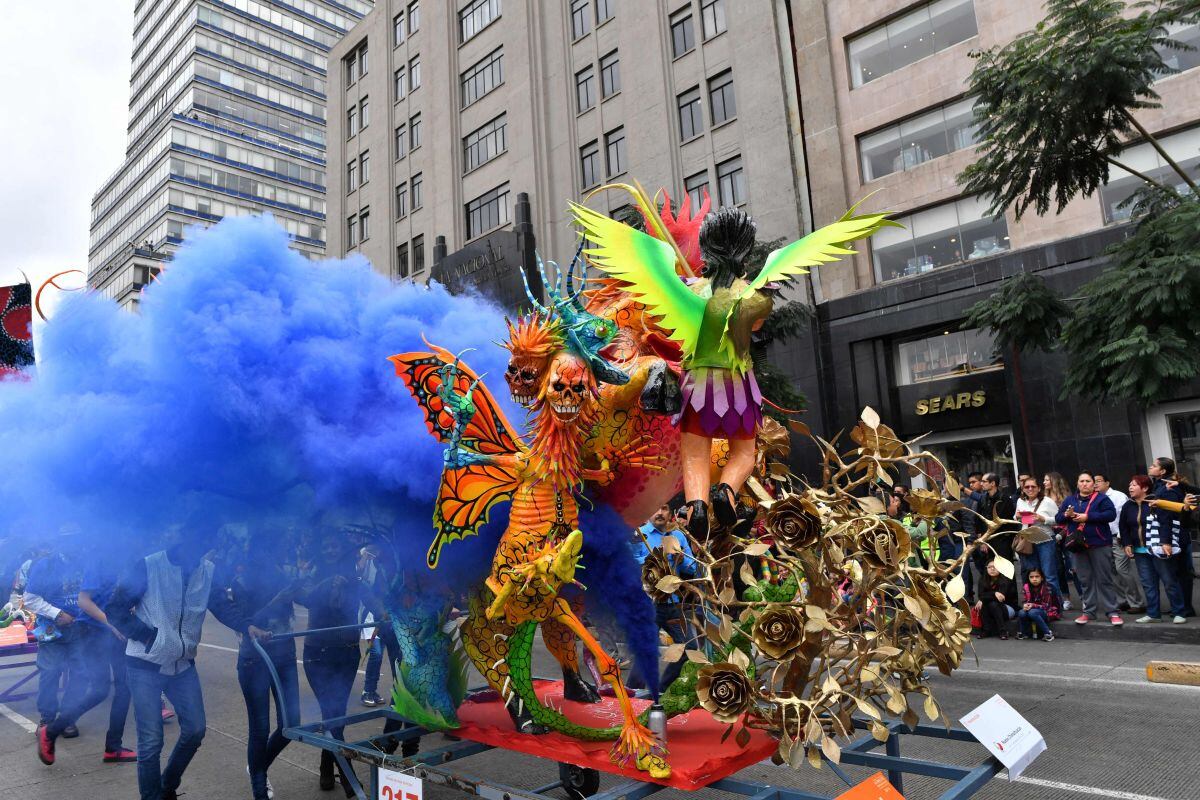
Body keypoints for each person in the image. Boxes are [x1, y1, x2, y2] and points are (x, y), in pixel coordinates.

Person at [104, 523, 221, 800]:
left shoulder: (207, 570)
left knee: (195, 730)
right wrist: (148, 637)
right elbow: (114, 609)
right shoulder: (148, 566)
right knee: (151, 742)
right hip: (144, 664)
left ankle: (166, 786)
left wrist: (247, 624)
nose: (204, 546)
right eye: (200, 537)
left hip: (182, 665)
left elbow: (223, 605)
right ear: (185, 536)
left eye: (210, 540)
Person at [210, 527, 304, 800]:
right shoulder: (243, 581)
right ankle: (259, 789)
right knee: (259, 728)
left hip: (285, 657)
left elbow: (306, 598)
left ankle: (257, 767)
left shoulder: (284, 575)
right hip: (255, 660)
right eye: (280, 546)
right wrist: (278, 599)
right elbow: (247, 623)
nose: (284, 551)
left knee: (291, 724)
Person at [298, 528, 380, 796]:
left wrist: (394, 615)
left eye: (335, 547)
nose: (330, 551)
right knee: (332, 715)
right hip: (317, 655)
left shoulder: (355, 581)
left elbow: (377, 605)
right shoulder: (312, 576)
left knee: (336, 717)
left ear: (343, 551)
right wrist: (327, 583)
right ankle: (349, 779)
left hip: (346, 655)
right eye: (326, 547)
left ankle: (325, 768)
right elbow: (304, 597)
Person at [28, 533, 112, 763]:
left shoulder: (86, 562)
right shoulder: (45, 565)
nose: (76, 544)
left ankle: (66, 718)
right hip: (51, 628)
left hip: (81, 629)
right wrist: (57, 613)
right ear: (60, 541)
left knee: (81, 673)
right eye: (70, 540)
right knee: (51, 671)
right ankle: (46, 719)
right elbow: (30, 599)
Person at [77, 545, 138, 763]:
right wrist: (111, 622)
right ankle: (55, 726)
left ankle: (113, 747)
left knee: (124, 686)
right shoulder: (99, 557)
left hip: (115, 633)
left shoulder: (129, 559)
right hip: (92, 633)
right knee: (100, 689)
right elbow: (83, 600)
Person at [630, 504, 700, 688]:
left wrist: (680, 557)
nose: (659, 513)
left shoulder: (678, 536)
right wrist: (654, 559)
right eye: (656, 508)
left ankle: (662, 689)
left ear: (671, 512)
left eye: (664, 508)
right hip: (648, 603)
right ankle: (634, 691)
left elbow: (692, 568)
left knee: (689, 648)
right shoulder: (639, 535)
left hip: (674, 603)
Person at [1055, 472, 1122, 626]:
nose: (1084, 484)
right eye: (1081, 481)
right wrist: (1066, 515)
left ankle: (1112, 612)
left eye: (1088, 481)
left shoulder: (1101, 498)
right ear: (1077, 484)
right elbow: (1058, 519)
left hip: (1099, 543)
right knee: (1085, 580)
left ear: (1093, 484)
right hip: (1078, 545)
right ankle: (1088, 612)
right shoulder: (1070, 500)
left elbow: (1110, 515)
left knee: (1105, 578)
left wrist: (1088, 517)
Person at [1121, 475, 1187, 624]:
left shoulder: (1155, 501)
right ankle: (1153, 614)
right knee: (1148, 583)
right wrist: (1127, 544)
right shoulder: (1128, 505)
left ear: (1144, 488)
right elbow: (1123, 527)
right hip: (1140, 551)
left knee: (1169, 580)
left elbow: (1165, 522)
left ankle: (1179, 612)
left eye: (1134, 485)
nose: (1130, 487)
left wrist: (1166, 542)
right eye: (1130, 485)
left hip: (1158, 548)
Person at [1150, 457, 1197, 616]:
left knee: (1180, 573)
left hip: (1177, 536)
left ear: (1162, 471)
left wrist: (1166, 541)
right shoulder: (1161, 485)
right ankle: (1183, 607)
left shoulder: (1167, 487)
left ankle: (1184, 608)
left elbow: (1168, 516)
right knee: (1180, 572)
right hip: (1178, 535)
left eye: (1154, 465)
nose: (1150, 467)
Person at [1096, 473, 1144, 613]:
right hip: (1103, 539)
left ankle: (1136, 602)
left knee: (1122, 569)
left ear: (1107, 482)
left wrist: (1122, 536)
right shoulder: (1094, 498)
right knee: (1111, 571)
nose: (1095, 484)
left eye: (1099, 481)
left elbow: (1124, 518)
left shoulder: (1118, 496)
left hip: (1118, 537)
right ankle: (1122, 600)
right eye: (1094, 482)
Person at [1014, 477, 1061, 596]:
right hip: (1028, 541)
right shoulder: (1020, 501)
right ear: (1023, 489)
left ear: (1039, 488)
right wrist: (1017, 517)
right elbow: (1016, 518)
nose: (1030, 489)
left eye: (1033, 486)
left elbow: (1059, 520)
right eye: (1027, 487)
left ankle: (1054, 607)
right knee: (1033, 575)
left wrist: (1043, 519)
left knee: (1049, 574)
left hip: (1045, 541)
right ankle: (1037, 604)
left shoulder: (1047, 501)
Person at [1044, 471, 1080, 609]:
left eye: (1047, 480)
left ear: (1054, 481)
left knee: (1073, 567)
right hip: (1050, 534)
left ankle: (1083, 597)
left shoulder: (1067, 498)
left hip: (1067, 534)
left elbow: (1069, 519)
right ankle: (1065, 598)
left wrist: (1062, 533)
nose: (1044, 482)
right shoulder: (1044, 498)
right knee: (1057, 568)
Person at [973, 561, 1017, 639]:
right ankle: (986, 630)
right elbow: (981, 595)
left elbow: (1001, 598)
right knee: (986, 603)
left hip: (1007, 609)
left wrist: (984, 598)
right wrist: (994, 594)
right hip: (991, 608)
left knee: (992, 603)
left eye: (995, 567)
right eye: (989, 567)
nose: (992, 569)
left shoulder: (1005, 579)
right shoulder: (983, 579)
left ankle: (1002, 631)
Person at [1017, 567, 1061, 641]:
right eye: (1031, 577)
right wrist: (1025, 605)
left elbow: (1047, 606)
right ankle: (1023, 633)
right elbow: (1024, 601)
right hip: (1033, 610)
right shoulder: (1026, 587)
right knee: (1022, 612)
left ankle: (1048, 634)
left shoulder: (1047, 587)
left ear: (1042, 578)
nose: (1034, 579)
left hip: (1049, 611)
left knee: (1032, 612)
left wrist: (1032, 605)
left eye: (1037, 576)